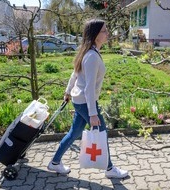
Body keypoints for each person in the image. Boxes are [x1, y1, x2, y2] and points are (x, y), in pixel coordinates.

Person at [47, 19, 128, 179]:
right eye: (104, 31)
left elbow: (75, 74)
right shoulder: (91, 56)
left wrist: (68, 91)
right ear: (96, 34)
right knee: (102, 132)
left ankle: (55, 162)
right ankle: (110, 168)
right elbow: (89, 87)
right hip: (85, 102)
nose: (107, 34)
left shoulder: (89, 52)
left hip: (80, 100)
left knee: (74, 133)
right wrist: (92, 114)